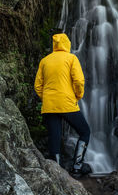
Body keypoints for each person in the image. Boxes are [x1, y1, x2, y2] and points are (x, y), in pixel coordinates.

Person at [34, 33, 90, 177]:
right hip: (67, 103)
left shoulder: (45, 61)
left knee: (55, 136)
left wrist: (46, 98)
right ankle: (77, 167)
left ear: (54, 45)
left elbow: (38, 85)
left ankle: (55, 171)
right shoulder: (71, 58)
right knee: (84, 132)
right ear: (67, 44)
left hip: (49, 105)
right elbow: (78, 81)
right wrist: (78, 96)